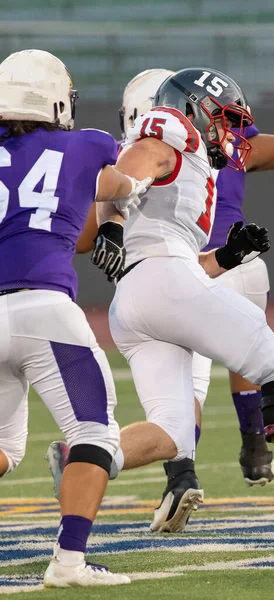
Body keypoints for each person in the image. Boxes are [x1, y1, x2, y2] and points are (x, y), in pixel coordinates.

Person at [93, 67, 274, 535]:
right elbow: (127, 174)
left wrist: (228, 256)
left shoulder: (194, 161)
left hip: (140, 298)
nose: (232, 132)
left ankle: (84, 455)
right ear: (192, 110)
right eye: (223, 119)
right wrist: (112, 213)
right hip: (164, 284)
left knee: (172, 434)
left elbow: (165, 246)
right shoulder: (166, 135)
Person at [0, 49, 144, 587]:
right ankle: (69, 562)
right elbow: (120, 182)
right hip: (45, 309)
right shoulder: (86, 144)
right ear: (56, 100)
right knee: (96, 434)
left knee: (7, 448)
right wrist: (121, 209)